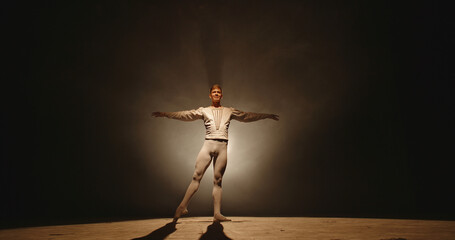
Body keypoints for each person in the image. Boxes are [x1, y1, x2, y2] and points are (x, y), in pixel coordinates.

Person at [152, 84, 279, 222]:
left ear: (221, 95)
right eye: (214, 92)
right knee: (196, 176)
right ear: (210, 95)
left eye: (219, 92)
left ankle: (217, 214)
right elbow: (186, 115)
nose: (217, 94)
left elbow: (246, 116)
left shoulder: (229, 111)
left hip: (222, 146)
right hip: (208, 145)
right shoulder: (204, 110)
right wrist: (166, 114)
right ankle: (182, 206)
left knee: (218, 181)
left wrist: (266, 116)